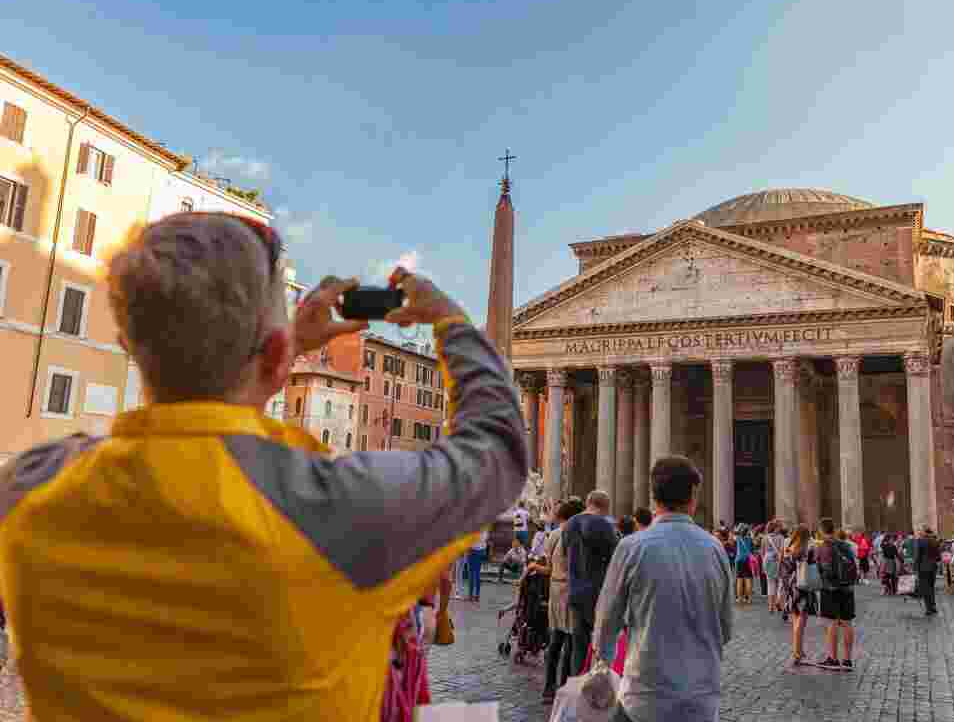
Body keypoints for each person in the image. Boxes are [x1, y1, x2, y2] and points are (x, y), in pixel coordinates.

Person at [0, 215, 528, 721]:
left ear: (128, 347)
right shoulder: (342, 510)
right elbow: (498, 446)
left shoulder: (30, 489)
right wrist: (451, 322)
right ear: (278, 358)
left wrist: (278, 349)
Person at [593, 456, 733, 722]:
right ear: (693, 497)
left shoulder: (631, 547)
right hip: (701, 700)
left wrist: (603, 666)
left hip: (644, 699)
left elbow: (605, 622)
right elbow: (725, 629)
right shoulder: (716, 549)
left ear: (653, 497)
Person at [563, 490, 619, 676]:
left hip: (575, 591)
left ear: (588, 503)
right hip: (598, 593)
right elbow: (616, 558)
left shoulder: (570, 524)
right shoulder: (602, 524)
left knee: (578, 646)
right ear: (605, 507)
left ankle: (576, 684)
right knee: (601, 646)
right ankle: (596, 689)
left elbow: (565, 554)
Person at [538, 498, 585, 704]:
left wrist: (533, 568)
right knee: (570, 642)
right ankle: (564, 687)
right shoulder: (580, 535)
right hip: (572, 589)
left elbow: (548, 568)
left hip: (556, 589)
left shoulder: (554, 535)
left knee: (555, 641)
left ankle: (548, 688)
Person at [816, 518, 857, 669]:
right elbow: (853, 565)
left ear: (821, 530)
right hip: (847, 588)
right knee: (847, 622)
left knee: (832, 622)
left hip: (830, 588)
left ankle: (833, 658)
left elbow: (819, 567)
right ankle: (847, 659)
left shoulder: (823, 547)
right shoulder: (846, 545)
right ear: (833, 529)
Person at [778, 524, 814, 663]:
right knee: (801, 621)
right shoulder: (807, 550)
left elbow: (784, 569)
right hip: (803, 586)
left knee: (795, 621)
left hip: (792, 586)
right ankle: (797, 653)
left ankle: (798, 649)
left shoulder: (789, 549)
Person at [912, 526, 940, 617]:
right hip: (933, 567)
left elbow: (918, 556)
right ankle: (933, 607)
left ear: (924, 532)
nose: (920, 533)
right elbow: (938, 556)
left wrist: (915, 568)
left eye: (921, 531)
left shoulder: (920, 541)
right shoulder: (935, 541)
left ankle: (929, 609)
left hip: (923, 568)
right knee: (931, 587)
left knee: (925, 588)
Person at [763, 520, 786, 613]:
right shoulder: (781, 537)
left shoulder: (765, 538)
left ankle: (770, 607)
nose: (781, 528)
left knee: (770, 584)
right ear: (776, 528)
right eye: (779, 527)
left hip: (767, 560)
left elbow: (763, 552)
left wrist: (763, 564)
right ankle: (778, 602)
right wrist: (780, 563)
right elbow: (781, 551)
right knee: (781, 583)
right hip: (777, 560)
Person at [734, 525, 755, 604]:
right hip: (747, 560)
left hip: (739, 560)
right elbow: (752, 549)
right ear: (747, 532)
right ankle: (749, 599)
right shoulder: (750, 539)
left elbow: (735, 532)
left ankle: (739, 598)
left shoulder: (738, 538)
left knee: (739, 580)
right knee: (748, 579)